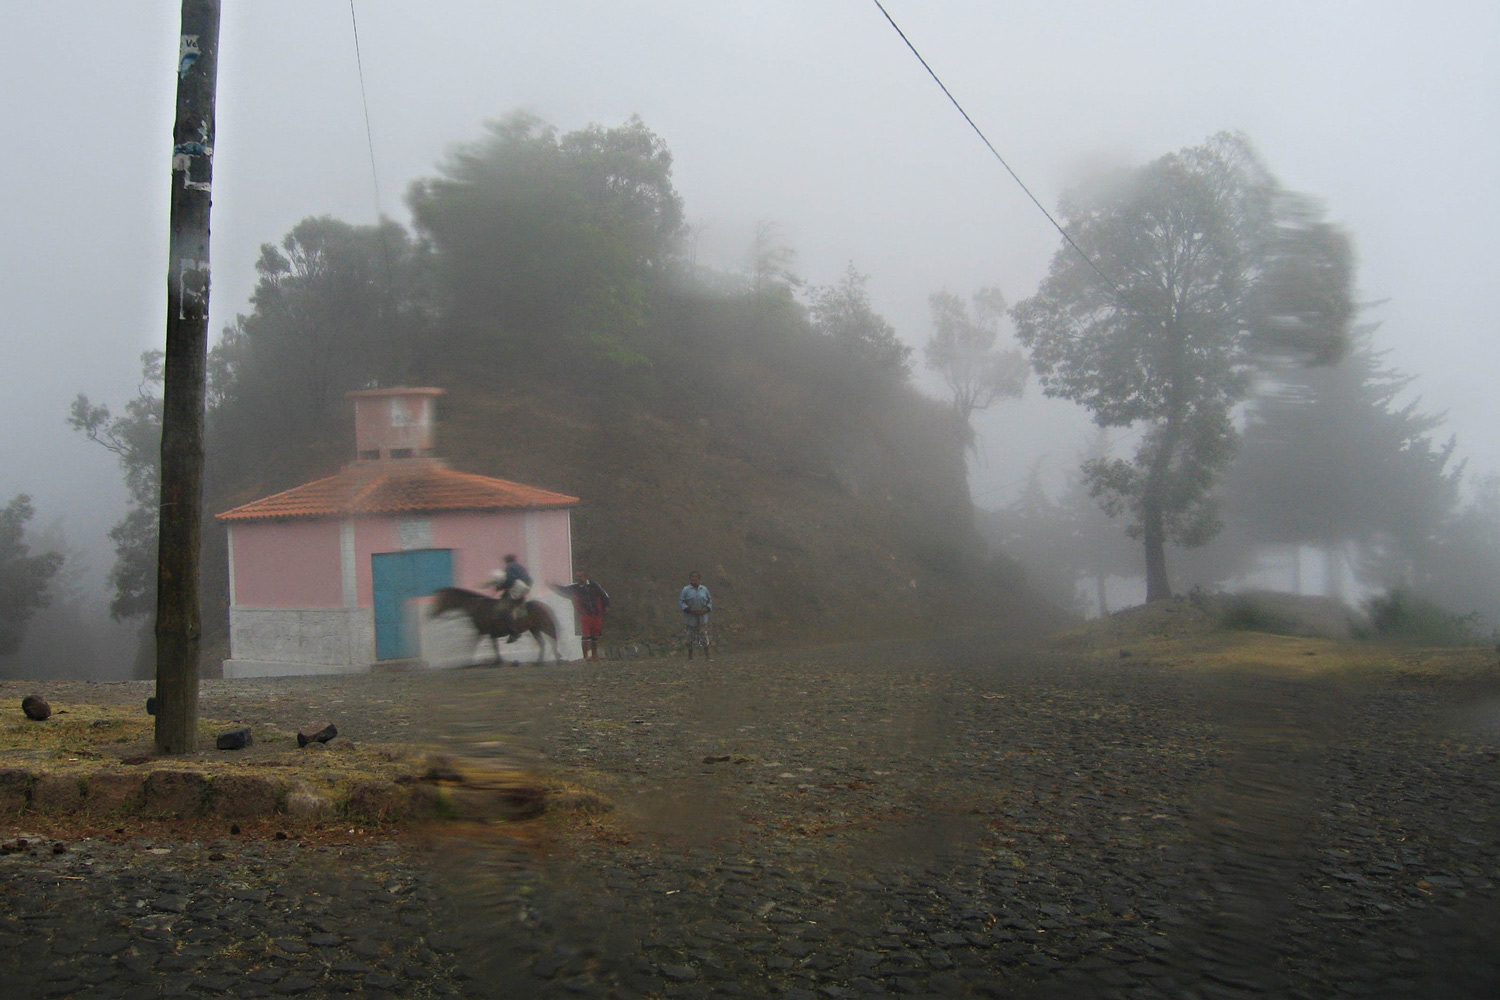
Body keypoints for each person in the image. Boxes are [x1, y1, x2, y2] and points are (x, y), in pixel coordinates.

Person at [552, 570, 611, 662]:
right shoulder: (575, 587)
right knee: (585, 636)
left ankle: (595, 656)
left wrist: (607, 606)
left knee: (595, 636)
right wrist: (552, 586)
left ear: (585, 577)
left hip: (597, 614)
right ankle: (585, 657)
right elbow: (564, 589)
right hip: (585, 614)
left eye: (580, 577)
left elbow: (604, 595)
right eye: (577, 577)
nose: (578, 579)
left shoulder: (593, 585)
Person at [485, 554, 532, 635]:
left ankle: (513, 631)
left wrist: (500, 588)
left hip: (518, 587)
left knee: (504, 608)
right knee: (510, 598)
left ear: (507, 561)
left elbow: (510, 580)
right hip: (526, 587)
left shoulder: (509, 567)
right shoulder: (520, 566)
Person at [679, 570, 713, 661]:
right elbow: (681, 602)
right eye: (692, 577)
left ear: (699, 579)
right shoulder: (686, 590)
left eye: (695, 577)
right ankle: (690, 656)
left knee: (703, 636)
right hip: (690, 617)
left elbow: (710, 601)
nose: (693, 578)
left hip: (702, 617)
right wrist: (690, 610)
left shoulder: (704, 589)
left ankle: (708, 656)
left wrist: (706, 609)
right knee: (689, 637)